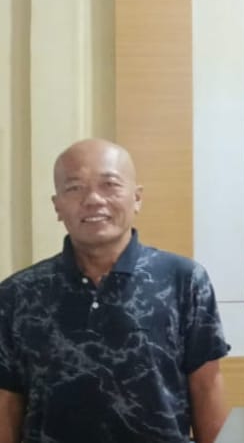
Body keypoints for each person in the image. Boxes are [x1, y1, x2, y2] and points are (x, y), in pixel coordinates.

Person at [0, 139, 230, 443]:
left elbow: (207, 387)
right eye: (75, 188)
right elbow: (7, 401)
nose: (93, 199)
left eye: (109, 184)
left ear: (137, 198)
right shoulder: (17, 294)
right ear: (57, 206)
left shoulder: (183, 280)